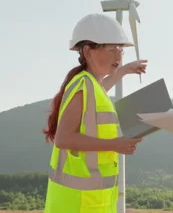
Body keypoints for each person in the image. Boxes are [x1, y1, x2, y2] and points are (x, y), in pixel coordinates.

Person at [42, 13, 147, 213]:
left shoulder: (91, 85)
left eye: (121, 50)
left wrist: (124, 71)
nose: (118, 55)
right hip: (77, 203)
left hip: (92, 201)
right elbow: (64, 139)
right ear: (88, 51)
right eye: (111, 49)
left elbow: (100, 89)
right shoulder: (83, 84)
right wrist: (114, 145)